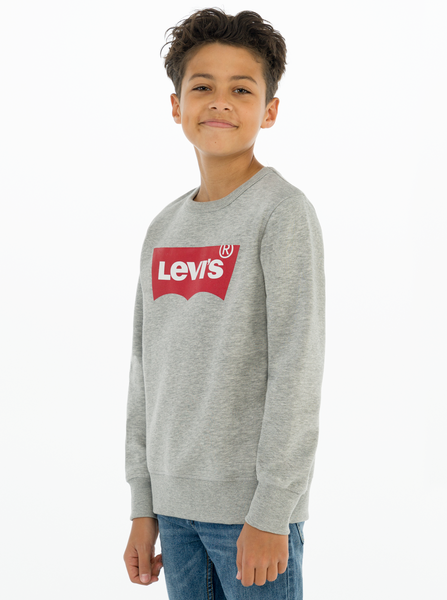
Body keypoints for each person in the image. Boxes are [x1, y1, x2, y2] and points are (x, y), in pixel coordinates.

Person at [122, 7, 326, 600]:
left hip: (251, 515)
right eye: (202, 87)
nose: (220, 102)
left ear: (269, 110)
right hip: (172, 510)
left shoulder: (281, 213)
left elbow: (297, 368)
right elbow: (144, 367)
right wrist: (143, 503)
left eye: (241, 89)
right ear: (176, 105)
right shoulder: (163, 227)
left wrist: (272, 510)